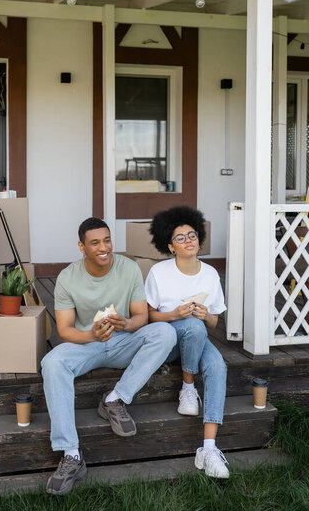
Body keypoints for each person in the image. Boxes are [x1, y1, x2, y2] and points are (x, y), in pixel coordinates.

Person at [41, 217, 177, 495]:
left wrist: (125, 324)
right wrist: (93, 335)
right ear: (81, 247)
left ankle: (115, 399)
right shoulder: (68, 277)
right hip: (86, 345)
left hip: (123, 342)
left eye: (107, 240)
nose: (104, 247)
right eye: (95, 243)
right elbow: (65, 331)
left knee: (164, 333)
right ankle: (71, 454)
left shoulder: (129, 268)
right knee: (52, 362)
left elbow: (141, 316)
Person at [145, 206, 229, 479]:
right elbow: (147, 315)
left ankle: (208, 448)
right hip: (167, 340)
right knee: (191, 325)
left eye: (192, 235)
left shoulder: (211, 274)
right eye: (180, 238)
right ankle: (188, 387)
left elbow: (215, 322)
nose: (188, 240)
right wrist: (174, 315)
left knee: (217, 366)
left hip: (198, 337)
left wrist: (206, 315)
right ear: (170, 246)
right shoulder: (159, 272)